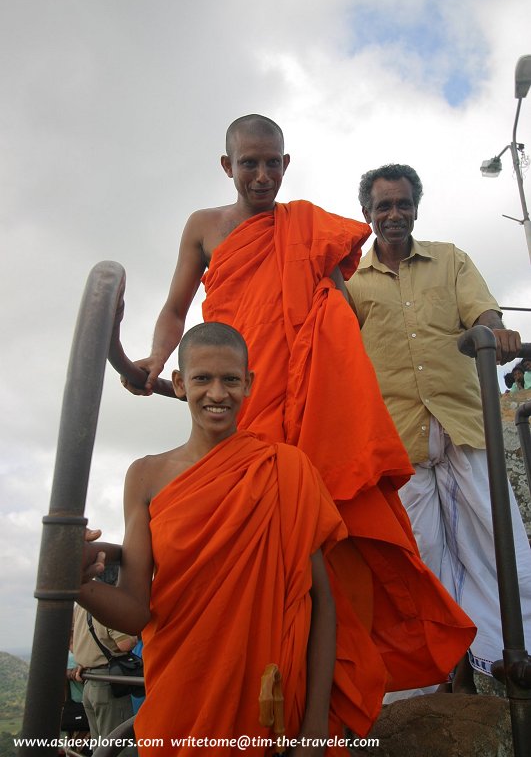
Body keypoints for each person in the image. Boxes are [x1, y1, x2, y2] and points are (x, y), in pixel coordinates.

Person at [122, 116, 475, 726]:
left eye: (272, 164)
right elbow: (176, 308)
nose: (261, 175)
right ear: (227, 165)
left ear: (287, 165)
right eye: (249, 163)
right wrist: (156, 361)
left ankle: (315, 708)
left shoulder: (306, 228)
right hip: (236, 402)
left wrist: (330, 329)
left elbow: (338, 315)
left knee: (307, 544)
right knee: (240, 542)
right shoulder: (204, 228)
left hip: (291, 404)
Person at [80, 322, 349, 755]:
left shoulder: (285, 469)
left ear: (249, 384)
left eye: (230, 380)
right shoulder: (146, 475)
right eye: (203, 379)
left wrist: (315, 729)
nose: (218, 394)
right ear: (180, 384)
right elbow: (132, 610)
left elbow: (321, 602)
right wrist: (77, 585)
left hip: (265, 704)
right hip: (179, 699)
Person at [346, 162, 531, 689]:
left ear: (415, 208)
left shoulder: (450, 259)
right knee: (420, 559)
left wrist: (496, 332)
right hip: (399, 443)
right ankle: (435, 680)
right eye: (384, 206)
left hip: (464, 426)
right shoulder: (351, 285)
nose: (394, 214)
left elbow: (483, 314)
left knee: (502, 545)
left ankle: (512, 657)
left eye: (403, 203)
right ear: (368, 214)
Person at [72, 566, 138, 753]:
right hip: (109, 683)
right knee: (118, 747)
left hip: (89, 681)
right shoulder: (107, 601)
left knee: (100, 747)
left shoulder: (82, 603)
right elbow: (124, 643)